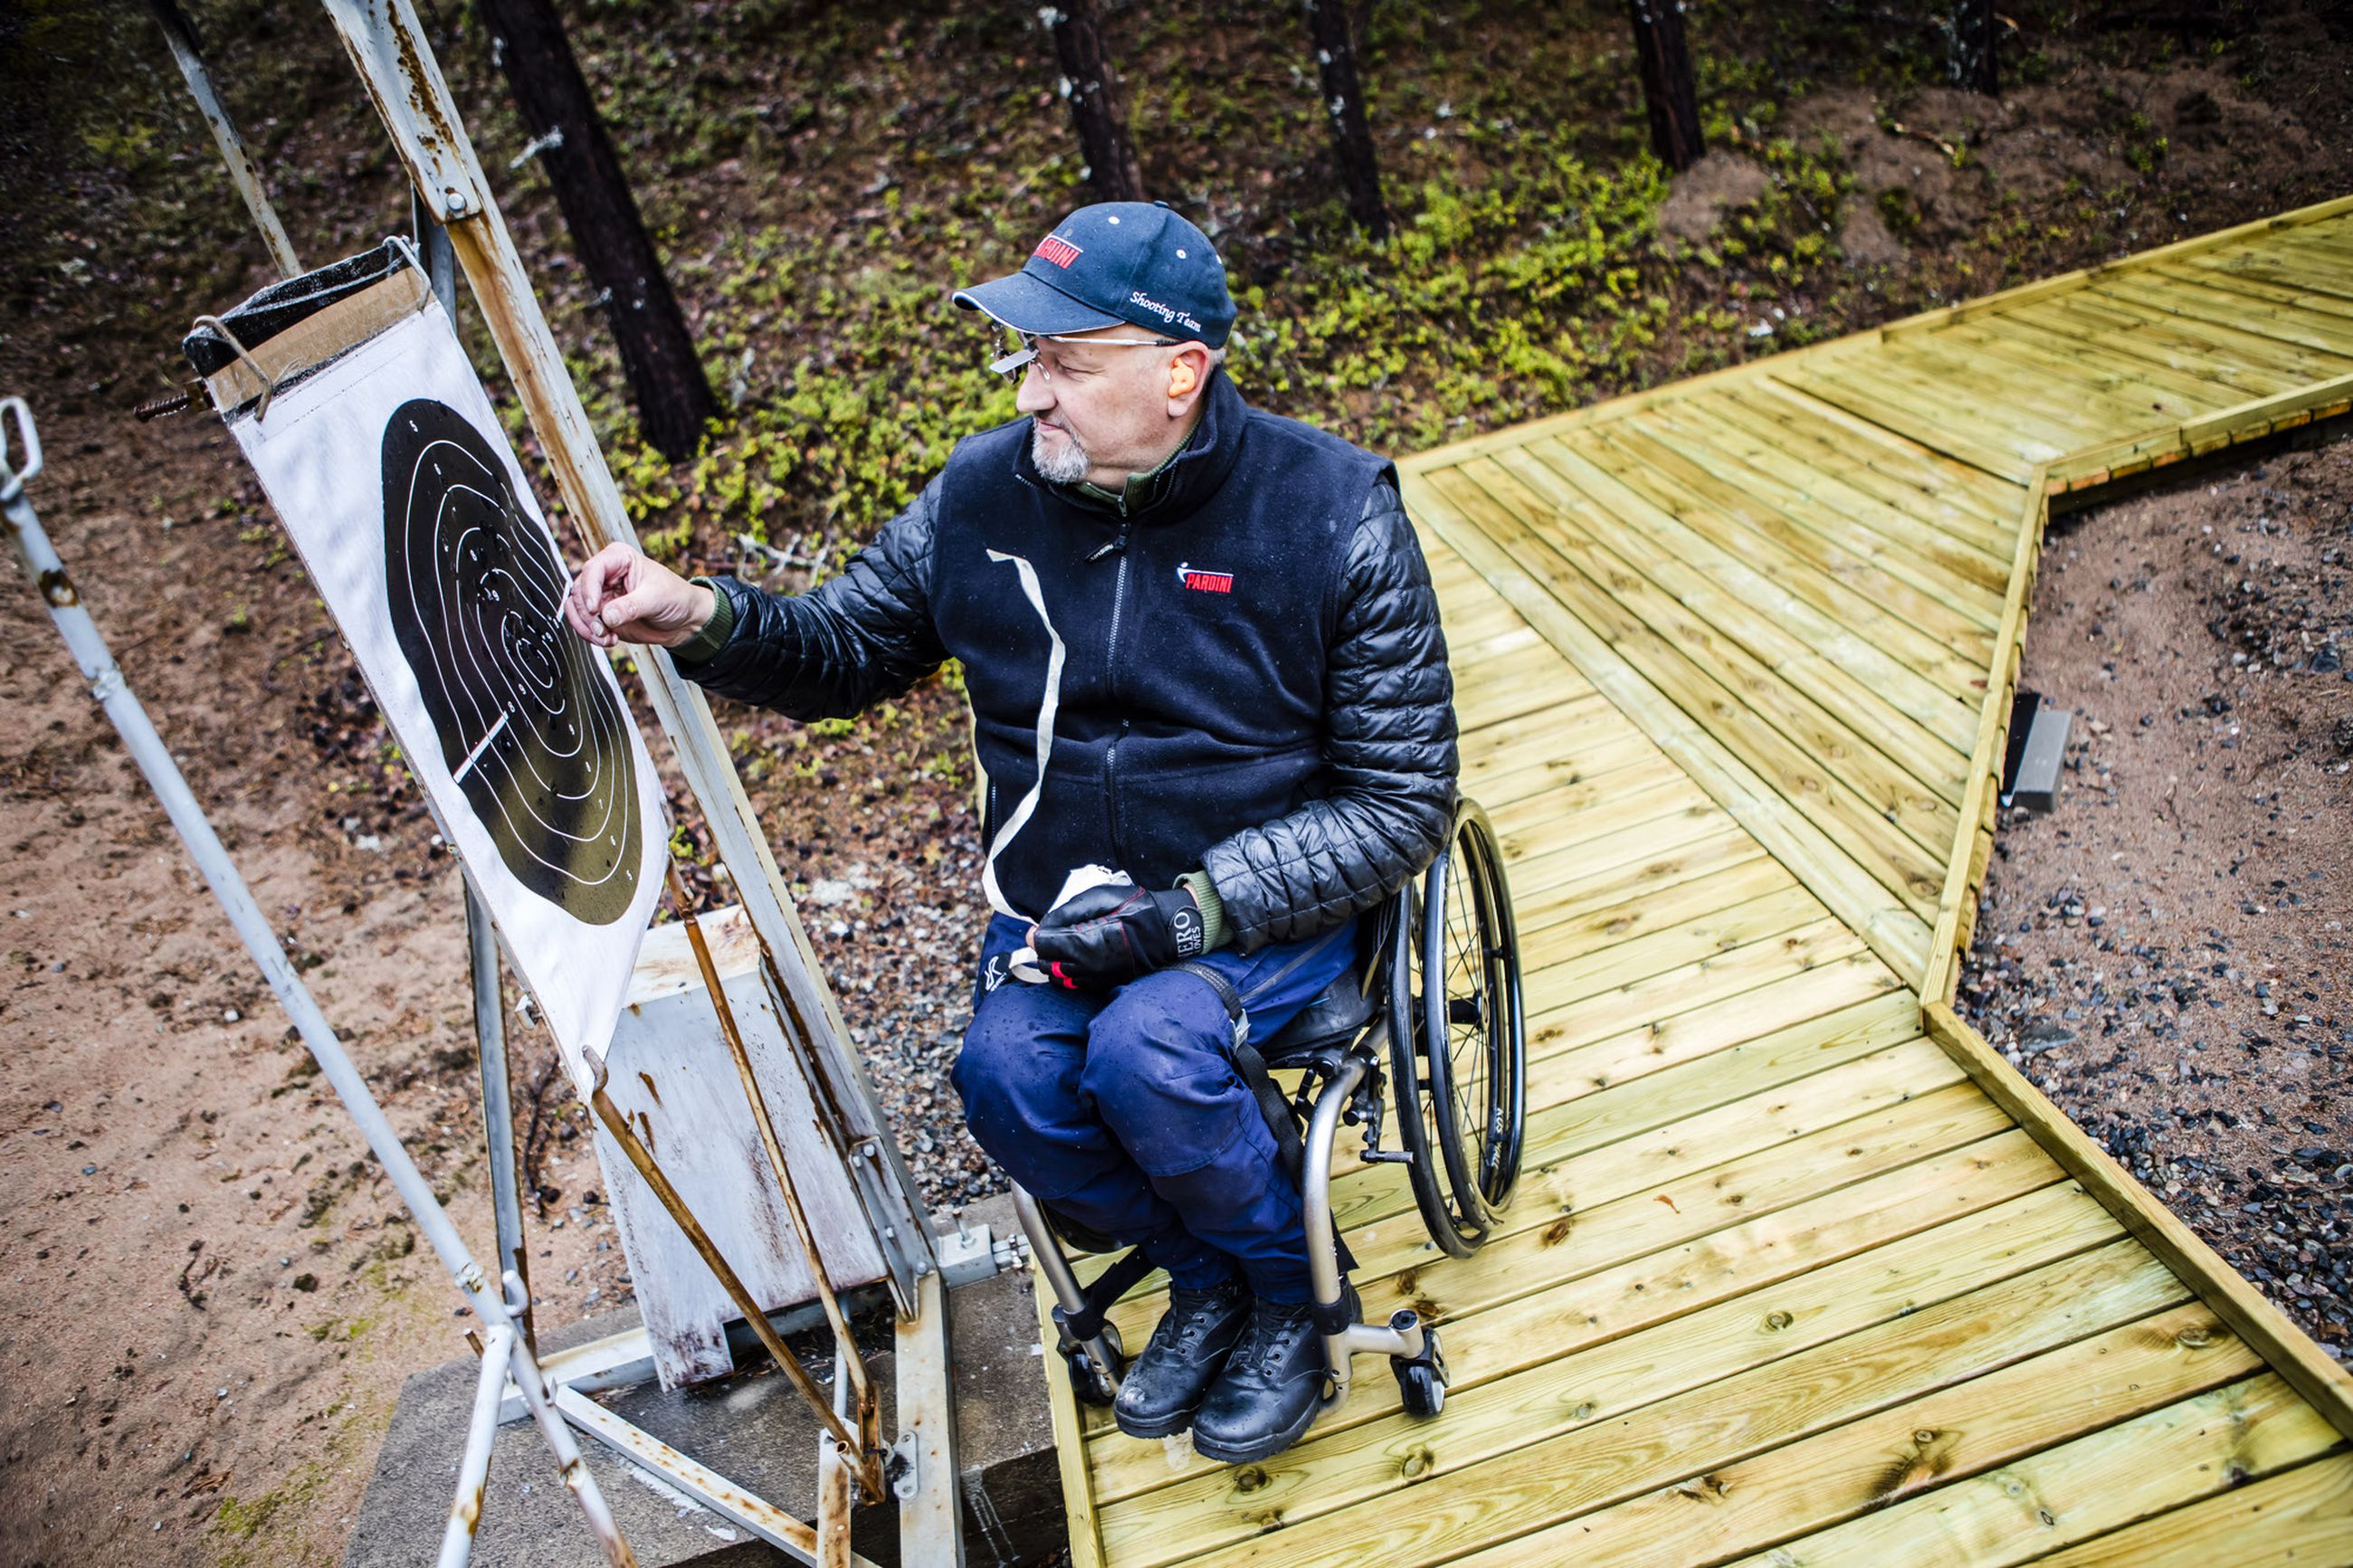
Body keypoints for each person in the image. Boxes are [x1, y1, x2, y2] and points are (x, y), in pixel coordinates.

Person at [563, 201, 1456, 1463]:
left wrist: (1194, 912)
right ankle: (1207, 1273)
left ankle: (1299, 1302)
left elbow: (1401, 800)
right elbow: (849, 645)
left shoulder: (1333, 513)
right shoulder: (984, 495)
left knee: (1151, 1051)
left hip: (1257, 900)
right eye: (1029, 361)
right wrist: (693, 611)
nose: (1032, 394)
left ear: (1179, 373)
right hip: (1063, 903)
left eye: (1065, 364)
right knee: (1009, 1080)